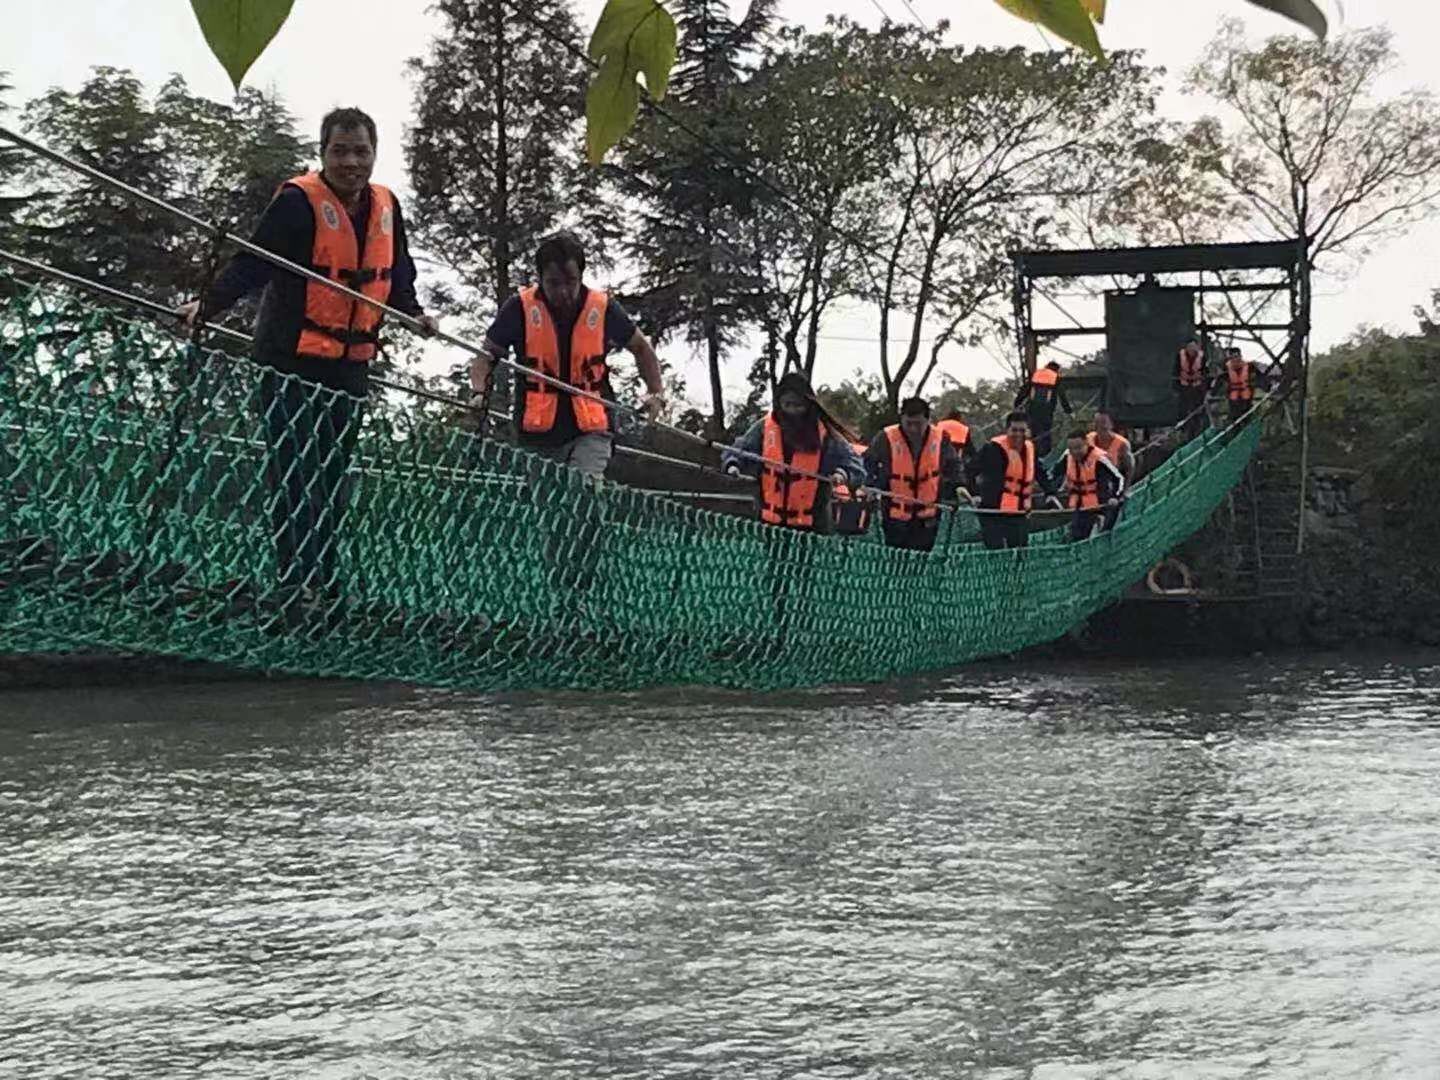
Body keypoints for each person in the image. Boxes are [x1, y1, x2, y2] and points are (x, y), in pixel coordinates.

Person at [178, 106, 439, 605]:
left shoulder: (386, 205)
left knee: (332, 475)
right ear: (322, 153)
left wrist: (414, 312)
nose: (350, 162)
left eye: (361, 151)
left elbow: (397, 270)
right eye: (339, 151)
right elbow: (253, 262)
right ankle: (295, 581)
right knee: (295, 470)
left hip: (349, 363)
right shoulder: (298, 202)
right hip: (289, 359)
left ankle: (322, 577)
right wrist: (207, 305)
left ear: (374, 155)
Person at [469, 231, 666, 480]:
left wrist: (655, 392)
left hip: (591, 429)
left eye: (571, 281)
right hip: (536, 437)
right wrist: (478, 392)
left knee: (580, 492)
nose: (564, 291)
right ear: (539, 279)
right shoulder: (519, 308)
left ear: (581, 277)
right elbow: (486, 355)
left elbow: (641, 348)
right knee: (546, 510)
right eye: (554, 283)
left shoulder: (603, 308)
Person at [722, 372, 865, 533]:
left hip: (812, 526)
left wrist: (842, 474)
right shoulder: (764, 428)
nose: (792, 410)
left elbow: (856, 465)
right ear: (779, 403)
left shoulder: (826, 435)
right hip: (769, 523)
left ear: (808, 404)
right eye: (787, 404)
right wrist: (732, 465)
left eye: (798, 405)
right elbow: (738, 450)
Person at [864, 397, 962, 552]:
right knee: (896, 562)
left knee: (920, 561)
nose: (913, 429)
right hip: (895, 515)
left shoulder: (940, 438)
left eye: (918, 424)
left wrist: (958, 487)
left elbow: (954, 466)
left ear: (928, 420)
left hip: (928, 516)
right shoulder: (885, 438)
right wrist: (870, 486)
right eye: (909, 423)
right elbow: (868, 463)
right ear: (901, 419)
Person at [971, 412, 1051, 550]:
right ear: (1007, 430)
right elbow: (970, 469)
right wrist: (974, 493)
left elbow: (1039, 472)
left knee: (1020, 550)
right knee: (996, 553)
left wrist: (1050, 492)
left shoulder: (1030, 449)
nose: (1018, 434)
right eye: (1014, 430)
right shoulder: (992, 448)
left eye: (1022, 430)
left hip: (1018, 511)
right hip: (993, 510)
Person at [1055, 429, 1126, 541]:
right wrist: (1053, 491)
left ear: (1086, 444)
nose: (1075, 452)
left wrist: (1115, 497)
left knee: (1102, 534)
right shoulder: (1067, 456)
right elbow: (1055, 474)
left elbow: (1118, 478)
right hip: (1078, 505)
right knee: (1077, 536)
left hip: (1100, 503)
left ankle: (1101, 525)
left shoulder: (1099, 459)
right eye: (1071, 448)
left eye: (1078, 448)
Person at [1013, 360, 1071, 458]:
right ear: (1056, 369)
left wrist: (1017, 403)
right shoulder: (1055, 377)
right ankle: (1044, 456)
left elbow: (1025, 390)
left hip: (1032, 409)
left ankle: (1029, 454)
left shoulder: (1036, 375)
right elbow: (1062, 395)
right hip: (1046, 411)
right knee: (1045, 433)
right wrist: (1068, 410)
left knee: (1032, 432)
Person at [1086, 410, 1135, 486]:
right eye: (1097, 423)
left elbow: (1129, 468)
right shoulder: (1088, 439)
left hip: (1110, 481)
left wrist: (1125, 489)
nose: (1100, 427)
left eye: (1103, 423)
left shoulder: (1122, 444)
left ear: (1111, 425)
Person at [1218, 345, 1261, 425]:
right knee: (1234, 416)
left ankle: (1246, 426)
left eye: (1237, 356)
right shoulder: (1226, 368)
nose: (1235, 359)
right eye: (1232, 357)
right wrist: (1212, 391)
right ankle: (1234, 428)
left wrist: (1269, 386)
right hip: (1233, 397)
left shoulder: (1249, 366)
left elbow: (1260, 377)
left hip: (1246, 396)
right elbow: (1219, 380)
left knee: (1246, 415)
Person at [1176, 338, 1208, 437]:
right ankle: (1183, 430)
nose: (1192, 349)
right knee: (1184, 409)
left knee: (1197, 409)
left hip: (1197, 386)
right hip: (1184, 386)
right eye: (1190, 346)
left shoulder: (1202, 357)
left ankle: (1197, 430)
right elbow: (1176, 370)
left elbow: (1206, 371)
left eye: (1194, 346)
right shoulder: (1180, 356)